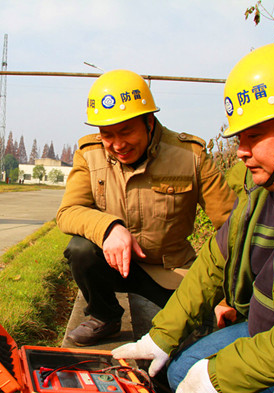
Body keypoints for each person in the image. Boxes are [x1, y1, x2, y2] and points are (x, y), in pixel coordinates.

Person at [112, 42, 274, 393]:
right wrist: (160, 336)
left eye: (253, 136)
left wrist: (220, 377)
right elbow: (217, 257)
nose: (241, 151)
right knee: (181, 370)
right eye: (239, 138)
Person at [56, 69, 236, 347]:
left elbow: (231, 228)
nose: (118, 145)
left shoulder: (190, 157)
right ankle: (104, 316)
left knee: (197, 340)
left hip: (171, 272)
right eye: (107, 134)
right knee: (81, 249)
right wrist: (109, 228)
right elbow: (68, 212)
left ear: (149, 122)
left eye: (127, 131)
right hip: (112, 266)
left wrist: (227, 297)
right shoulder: (89, 155)